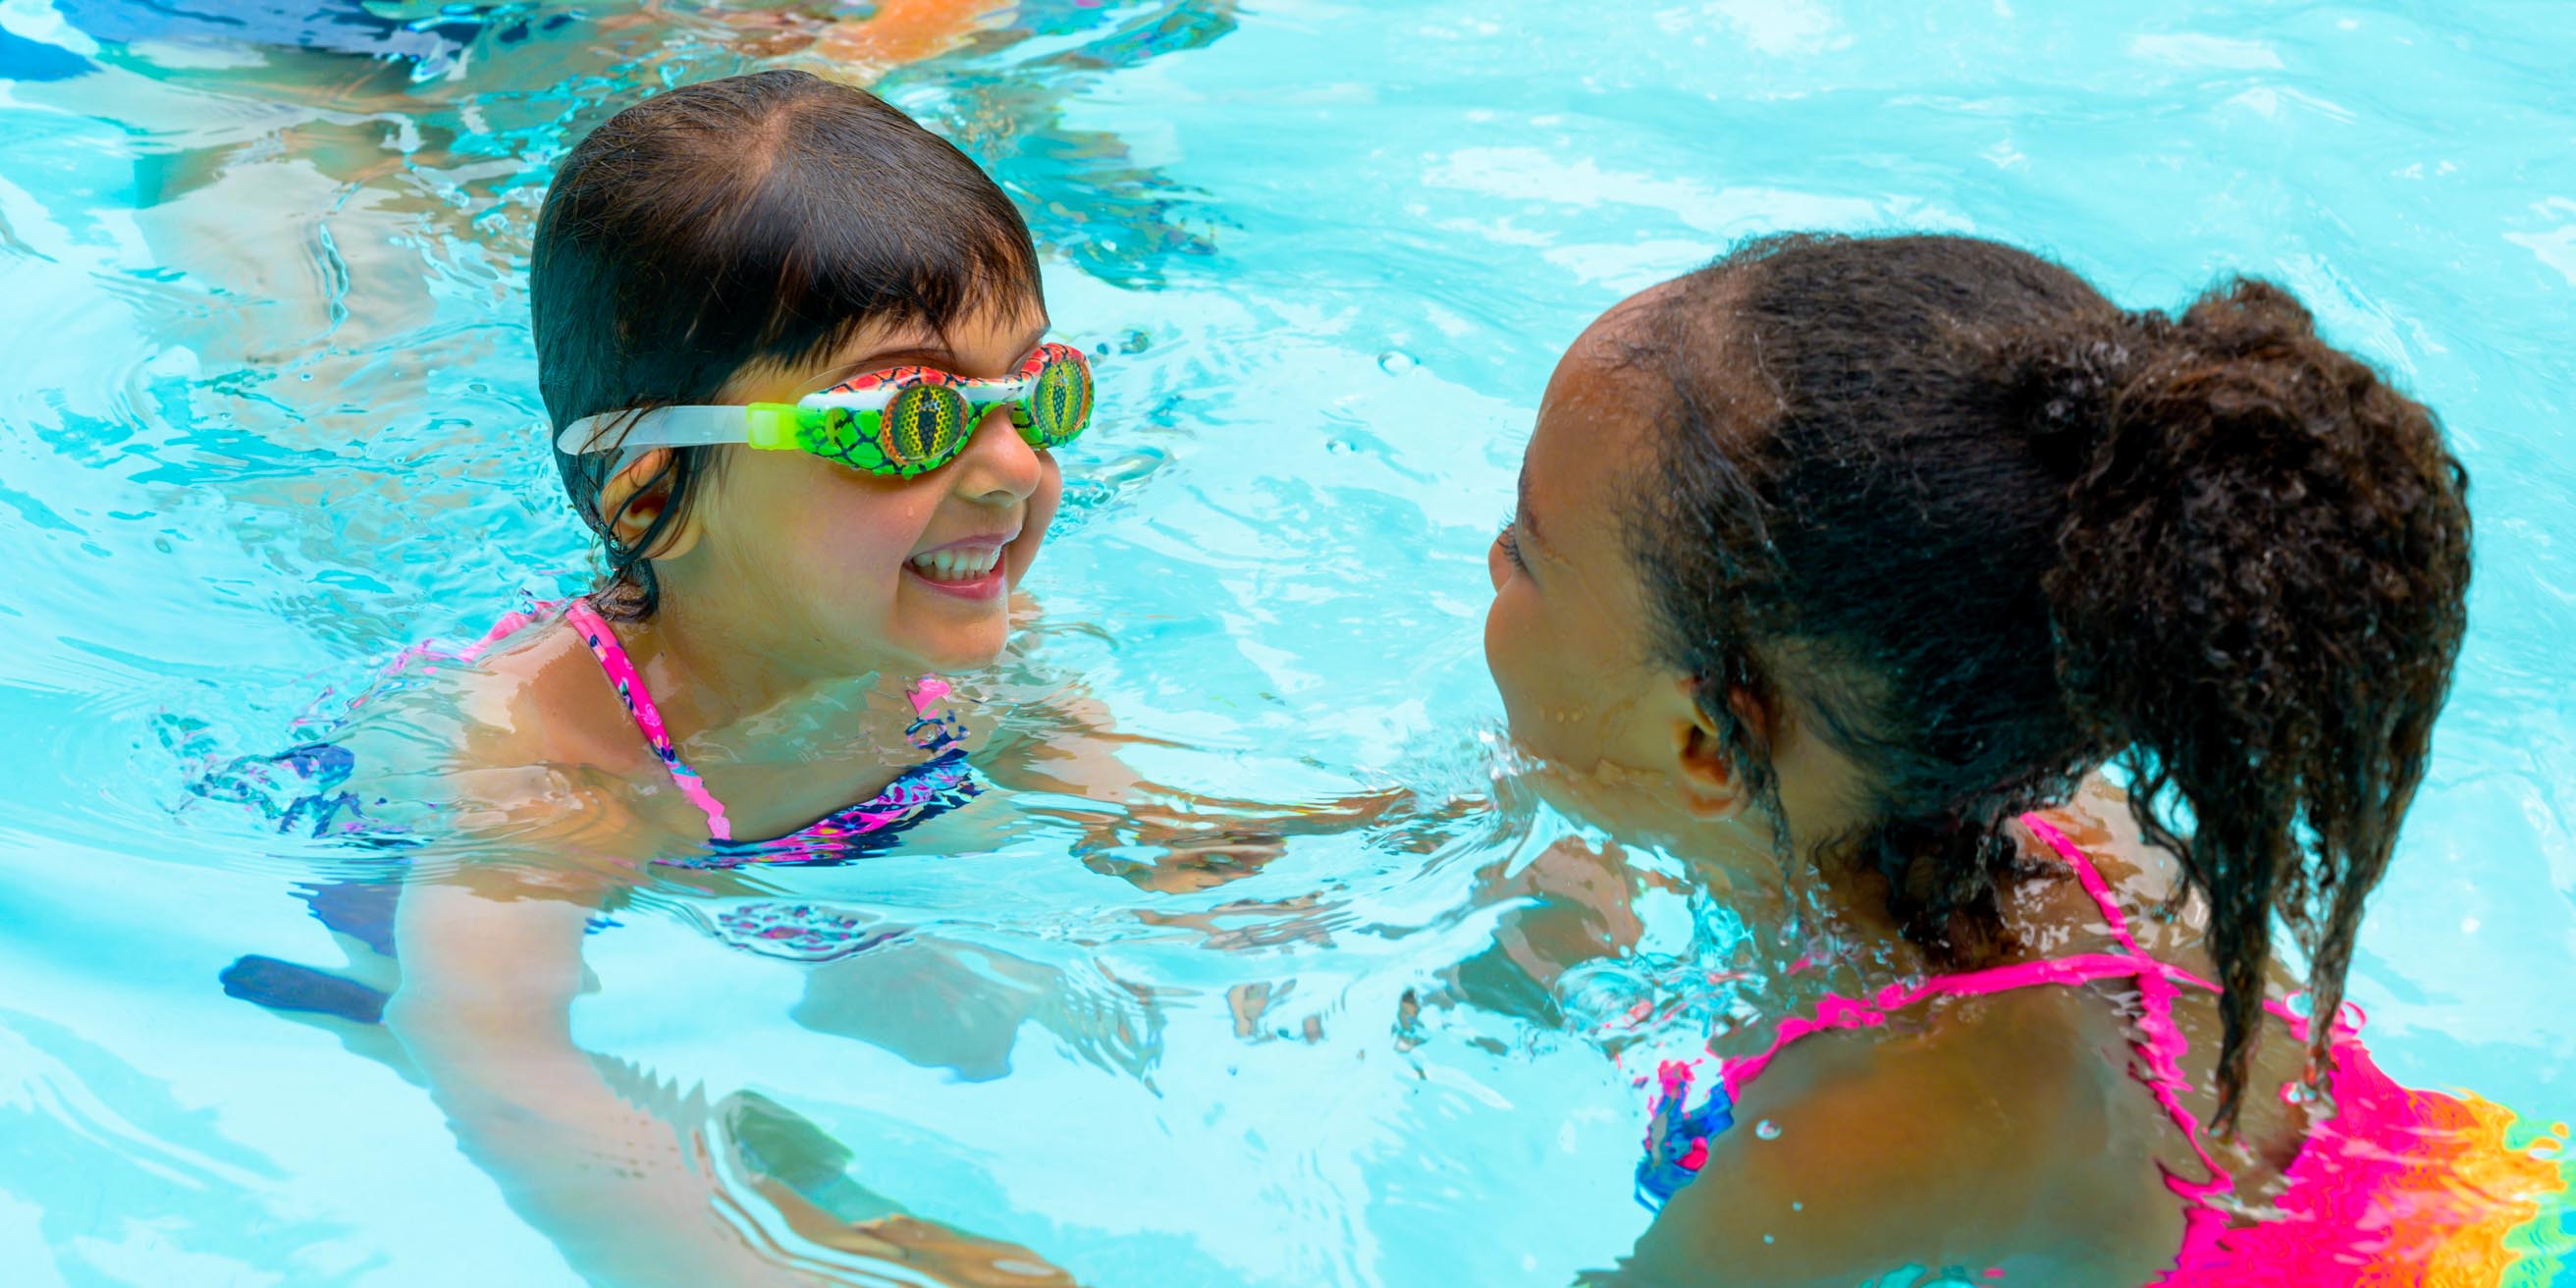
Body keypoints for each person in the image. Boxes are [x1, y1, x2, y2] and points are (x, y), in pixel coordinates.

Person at [205, 69, 1385, 1286]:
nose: (1010, 470)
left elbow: (1172, 848)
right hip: (385, 905)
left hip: (793, 883)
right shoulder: (544, 772)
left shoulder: (965, 662)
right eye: (907, 420)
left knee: (970, 1026)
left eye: (1039, 394)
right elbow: (505, 1072)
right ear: (652, 491)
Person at [1483, 232, 2569, 1285]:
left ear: (1701, 743)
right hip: (2485, 1199)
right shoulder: (2053, 801)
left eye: (1524, 546)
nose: (1492, 555)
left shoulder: (1862, 1129)